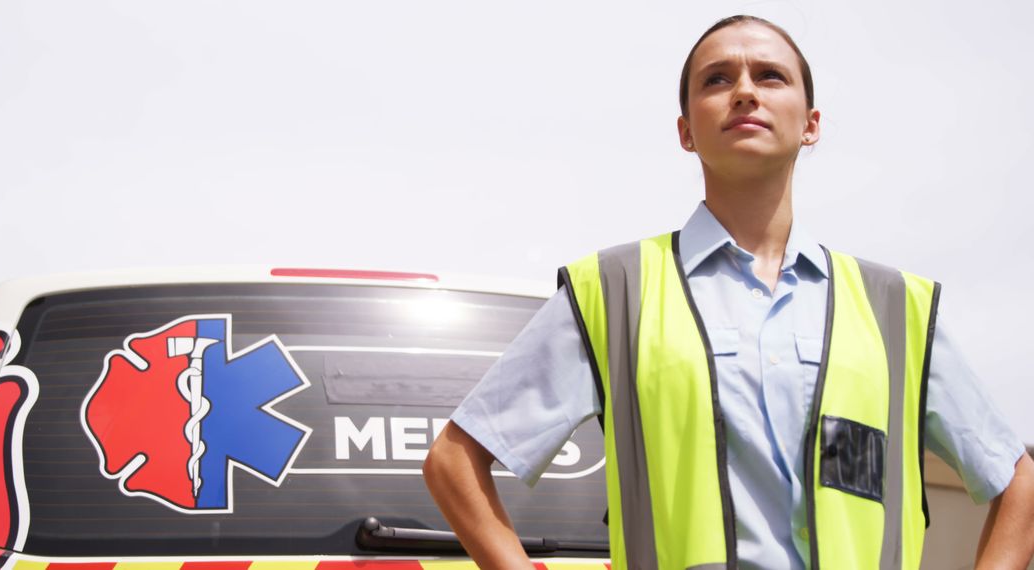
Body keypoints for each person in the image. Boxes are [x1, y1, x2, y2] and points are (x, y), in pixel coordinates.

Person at [423, 15, 1034, 570]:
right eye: (718, 79)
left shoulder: (897, 308)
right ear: (686, 132)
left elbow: (1018, 484)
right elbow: (454, 460)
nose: (745, 90)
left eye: (770, 76)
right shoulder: (613, 293)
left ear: (811, 124)